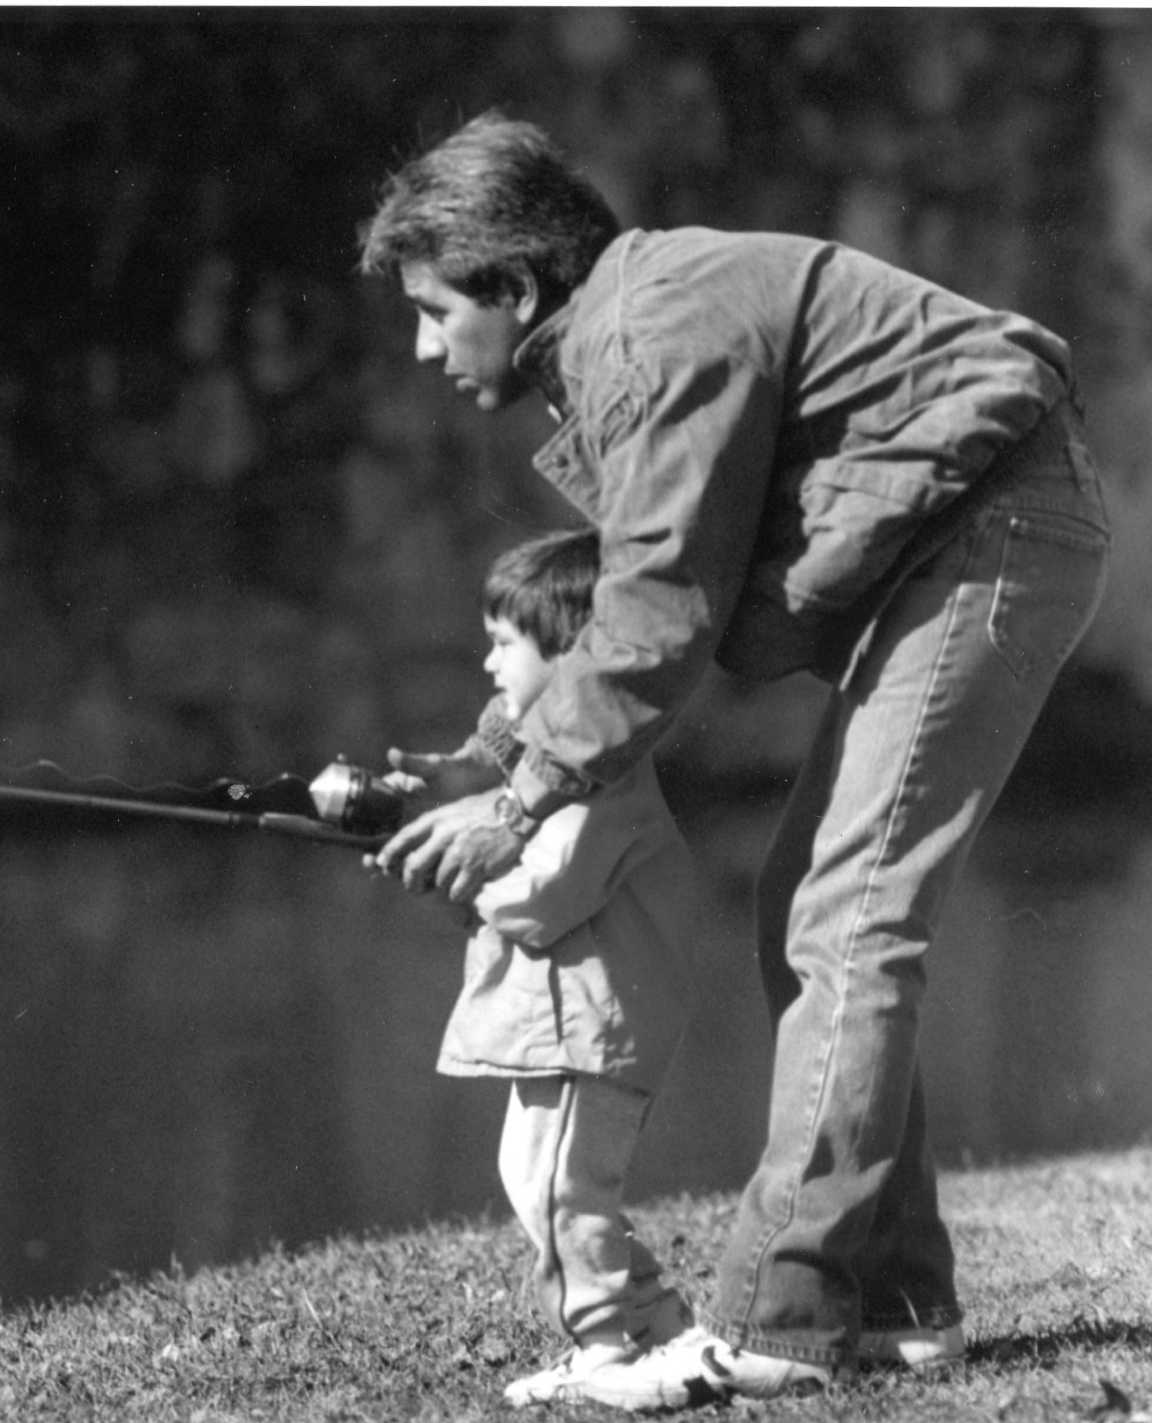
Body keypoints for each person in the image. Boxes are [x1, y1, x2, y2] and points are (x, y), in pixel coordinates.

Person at [356, 112, 1111, 1411]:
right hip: (973, 540)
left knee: (847, 917)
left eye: (434, 311)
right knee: (808, 909)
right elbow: (637, 594)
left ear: (517, 286)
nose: (425, 346)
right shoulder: (624, 332)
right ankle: (896, 1302)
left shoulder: (650, 334)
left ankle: (791, 1309)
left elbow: (660, 619)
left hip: (997, 533)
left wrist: (523, 799)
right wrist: (480, 759)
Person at [392, 527, 699, 1408]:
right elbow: (506, 799)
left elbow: (546, 893)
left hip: (595, 1024)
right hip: (565, 1021)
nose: (488, 664)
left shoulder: (593, 777)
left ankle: (608, 1349)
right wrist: (447, 813)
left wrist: (453, 877)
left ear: (565, 656)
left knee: (562, 1187)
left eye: (502, 644)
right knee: (536, 1179)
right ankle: (653, 1326)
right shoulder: (546, 765)